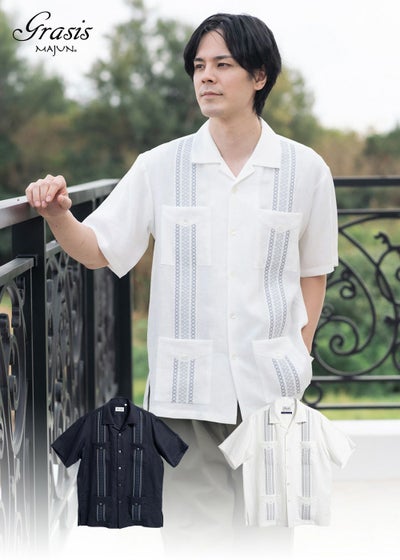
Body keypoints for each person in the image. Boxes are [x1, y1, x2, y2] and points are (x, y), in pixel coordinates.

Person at [25, 13, 338, 559]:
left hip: (272, 394)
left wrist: (300, 353)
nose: (206, 77)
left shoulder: (305, 170)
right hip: (186, 396)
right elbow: (98, 249)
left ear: (259, 76)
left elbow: (314, 270)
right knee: (196, 543)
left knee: (269, 542)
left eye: (223, 64)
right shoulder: (160, 166)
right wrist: (58, 216)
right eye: (199, 66)